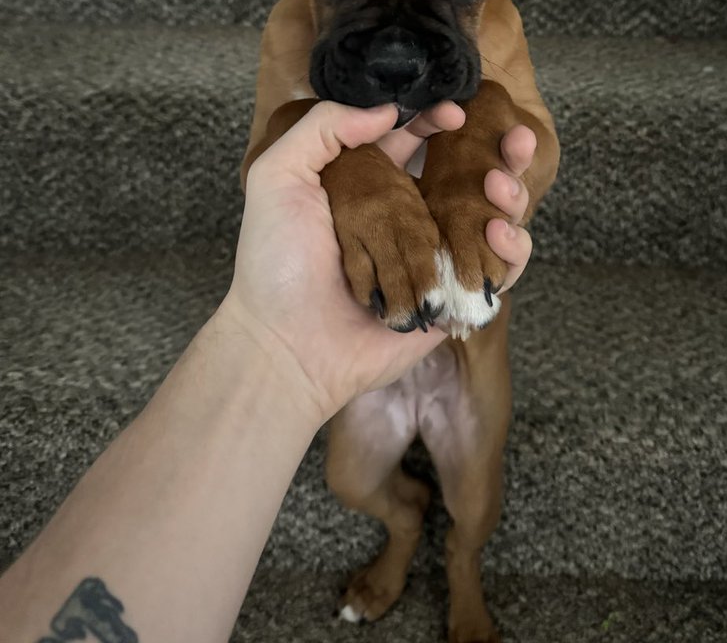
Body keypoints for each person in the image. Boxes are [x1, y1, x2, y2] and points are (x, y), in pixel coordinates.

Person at [0, 100, 537, 643]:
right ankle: (404, 527)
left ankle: (463, 569)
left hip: (466, 352)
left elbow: (538, 151)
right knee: (349, 483)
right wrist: (279, 348)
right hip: (362, 332)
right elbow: (275, 157)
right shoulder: (291, 35)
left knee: (474, 505)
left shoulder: (497, 36)